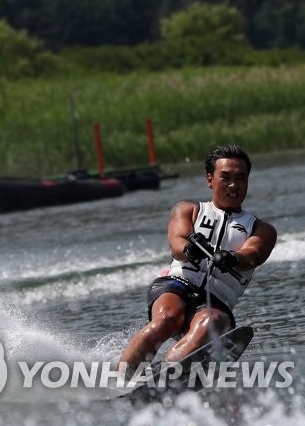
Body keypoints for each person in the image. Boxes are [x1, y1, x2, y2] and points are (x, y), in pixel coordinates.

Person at [118, 144, 277, 376]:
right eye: (226, 177)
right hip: (177, 284)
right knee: (167, 318)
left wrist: (233, 258)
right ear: (210, 180)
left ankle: (166, 376)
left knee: (210, 324)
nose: (233, 185)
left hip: (217, 301)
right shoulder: (188, 210)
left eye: (241, 178)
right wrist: (190, 249)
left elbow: (253, 254)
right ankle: (118, 378)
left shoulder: (261, 229)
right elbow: (177, 241)